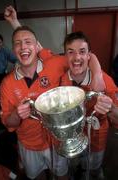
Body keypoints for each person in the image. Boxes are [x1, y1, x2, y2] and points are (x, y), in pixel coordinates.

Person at [1, 5, 113, 180]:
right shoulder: (7, 83)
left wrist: (97, 75)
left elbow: (83, 56)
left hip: (57, 141)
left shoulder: (53, 64)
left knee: (69, 174)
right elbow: (28, 44)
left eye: (28, 42)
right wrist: (17, 114)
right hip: (30, 144)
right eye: (18, 44)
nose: (24, 47)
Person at [58, 31, 118, 180]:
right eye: (71, 52)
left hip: (97, 138)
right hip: (71, 139)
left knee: (93, 169)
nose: (77, 57)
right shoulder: (60, 81)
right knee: (73, 168)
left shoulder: (105, 81)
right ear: (65, 56)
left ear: (89, 56)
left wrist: (110, 108)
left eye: (82, 52)